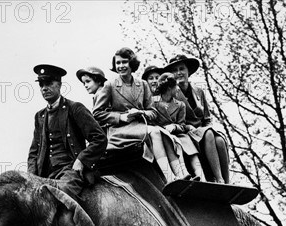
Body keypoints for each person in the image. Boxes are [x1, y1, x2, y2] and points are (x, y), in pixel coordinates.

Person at [93, 48, 188, 182]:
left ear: (132, 63)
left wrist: (141, 112)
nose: (121, 66)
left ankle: (181, 174)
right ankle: (170, 178)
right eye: (118, 63)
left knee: (164, 133)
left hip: (140, 125)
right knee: (155, 132)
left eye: (124, 62)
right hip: (120, 130)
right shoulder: (110, 85)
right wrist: (121, 117)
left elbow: (153, 112)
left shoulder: (142, 84)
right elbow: (97, 114)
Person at [27, 64, 107, 197]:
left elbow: (99, 138)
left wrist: (81, 160)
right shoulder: (39, 116)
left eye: (48, 83)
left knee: (59, 197)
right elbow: (34, 152)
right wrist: (31, 177)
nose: (44, 88)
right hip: (44, 173)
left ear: (59, 84)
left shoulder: (75, 109)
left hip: (69, 171)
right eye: (41, 85)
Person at [163, 54, 230, 183]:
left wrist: (206, 127)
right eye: (175, 71)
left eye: (181, 69)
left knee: (220, 140)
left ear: (188, 71)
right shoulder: (170, 94)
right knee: (209, 133)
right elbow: (172, 120)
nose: (179, 73)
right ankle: (219, 179)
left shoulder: (199, 91)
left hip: (202, 131)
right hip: (185, 132)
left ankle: (227, 183)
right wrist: (192, 128)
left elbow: (207, 118)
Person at [154, 72, 206, 181]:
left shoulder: (180, 104)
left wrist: (174, 126)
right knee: (173, 142)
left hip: (178, 134)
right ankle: (182, 174)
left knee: (189, 146)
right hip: (162, 135)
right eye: (175, 86)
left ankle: (201, 177)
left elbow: (182, 125)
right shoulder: (154, 103)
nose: (178, 89)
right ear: (169, 88)